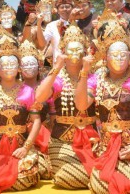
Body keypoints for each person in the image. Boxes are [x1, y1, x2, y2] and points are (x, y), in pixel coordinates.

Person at [77, 10, 130, 194]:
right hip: (107, 147)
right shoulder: (96, 79)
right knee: (100, 186)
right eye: (114, 55)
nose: (119, 59)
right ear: (105, 58)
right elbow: (82, 105)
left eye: (123, 54)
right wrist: (84, 73)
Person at [0, 33, 41, 193]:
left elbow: (36, 121)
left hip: (21, 147)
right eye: (4, 64)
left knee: (24, 178)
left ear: (19, 68)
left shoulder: (27, 91)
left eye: (13, 64)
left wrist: (26, 147)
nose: (9, 67)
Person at [35, 23, 99, 189]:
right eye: (70, 50)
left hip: (90, 139)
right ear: (63, 52)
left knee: (103, 173)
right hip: (62, 139)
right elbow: (39, 97)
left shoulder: (93, 78)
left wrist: (84, 72)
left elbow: (83, 105)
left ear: (85, 52)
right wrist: (56, 68)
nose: (74, 54)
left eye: (79, 50)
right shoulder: (58, 79)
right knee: (69, 177)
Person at [18, 40, 54, 180]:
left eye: (32, 63)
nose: (29, 67)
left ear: (39, 65)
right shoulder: (15, 88)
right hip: (21, 136)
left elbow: (53, 114)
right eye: (25, 65)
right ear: (19, 68)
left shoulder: (46, 87)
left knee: (47, 170)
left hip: (44, 136)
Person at [42, 0, 74, 64]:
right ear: (58, 11)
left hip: (76, 64)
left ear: (72, 9)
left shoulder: (78, 24)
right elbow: (43, 43)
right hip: (59, 66)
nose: (65, 9)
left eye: (67, 7)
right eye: (62, 7)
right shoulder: (51, 25)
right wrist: (38, 24)